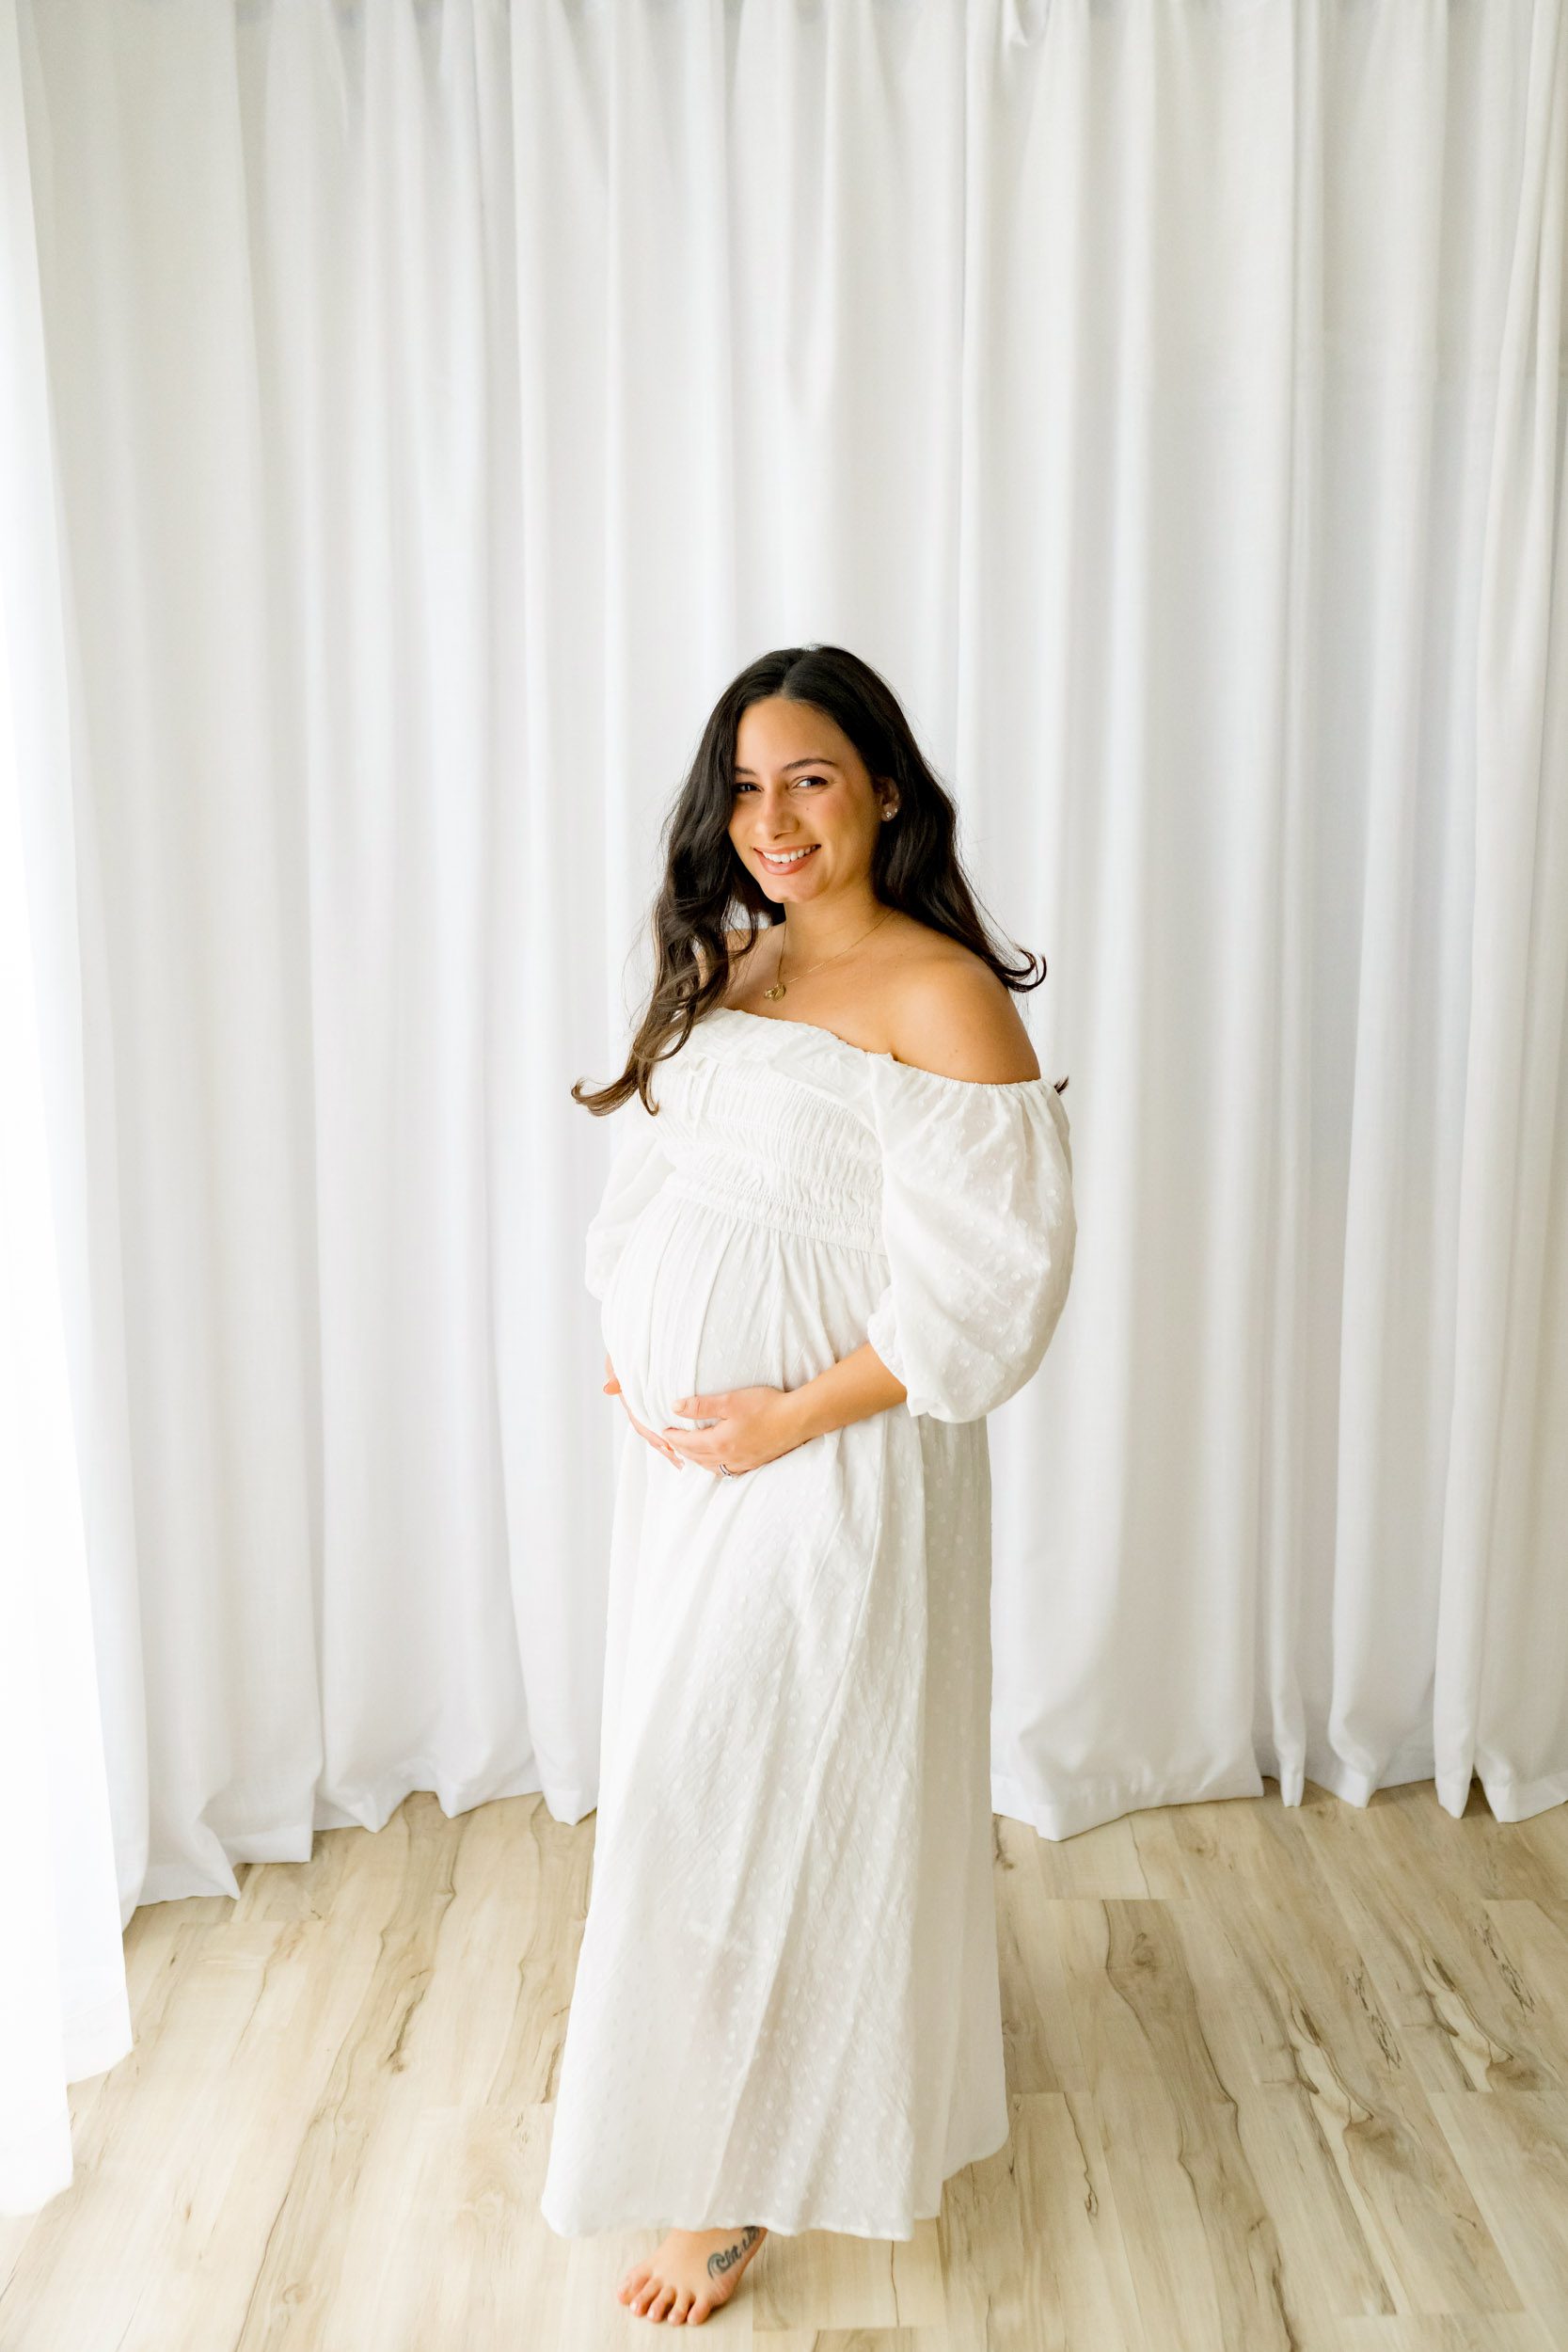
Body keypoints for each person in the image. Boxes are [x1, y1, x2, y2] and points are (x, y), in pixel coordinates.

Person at [539, 644, 1077, 2327]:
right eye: (748, 787)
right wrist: (635, 1336)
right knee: (705, 1784)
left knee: (754, 1790)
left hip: (835, 1465)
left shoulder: (939, 993)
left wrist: (786, 1418)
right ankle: (724, 2115)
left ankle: (736, 2180)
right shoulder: (736, 961)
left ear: (889, 790)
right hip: (701, 1475)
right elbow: (662, 1165)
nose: (772, 820)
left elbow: (992, 1292)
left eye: (813, 781)